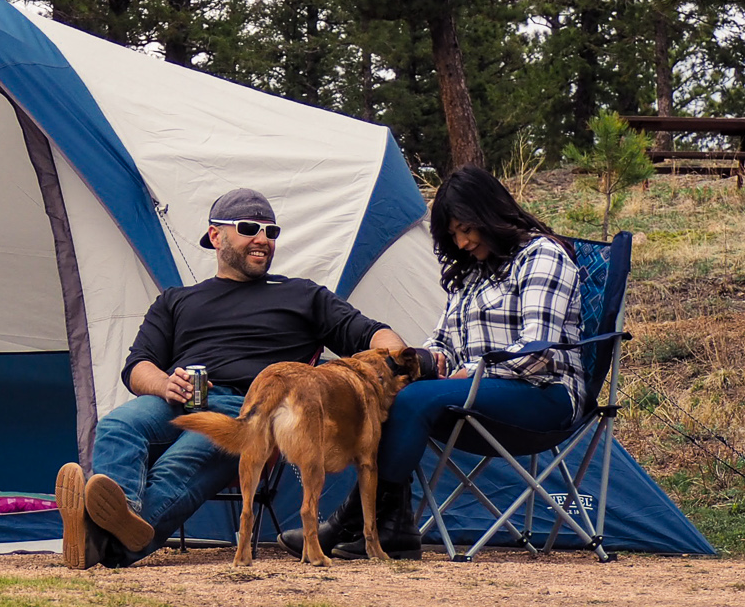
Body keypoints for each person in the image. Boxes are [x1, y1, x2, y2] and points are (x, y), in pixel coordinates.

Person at [55, 188, 410, 568]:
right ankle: (118, 516)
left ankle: (100, 538)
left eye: (271, 232)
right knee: (117, 426)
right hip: (177, 397)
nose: (262, 239)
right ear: (215, 236)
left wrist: (400, 360)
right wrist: (163, 384)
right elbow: (138, 365)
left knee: (182, 463)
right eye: (248, 228)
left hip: (250, 409)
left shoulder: (302, 295)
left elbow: (372, 333)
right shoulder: (177, 300)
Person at [287, 164, 584, 560]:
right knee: (392, 392)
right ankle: (393, 528)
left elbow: (538, 351)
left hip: (544, 397)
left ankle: (353, 520)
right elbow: (442, 342)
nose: (461, 243)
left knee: (416, 400)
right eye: (453, 234)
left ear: (490, 213)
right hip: (480, 397)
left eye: (467, 229)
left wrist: (472, 373)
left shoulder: (542, 256)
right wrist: (405, 365)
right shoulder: (472, 273)